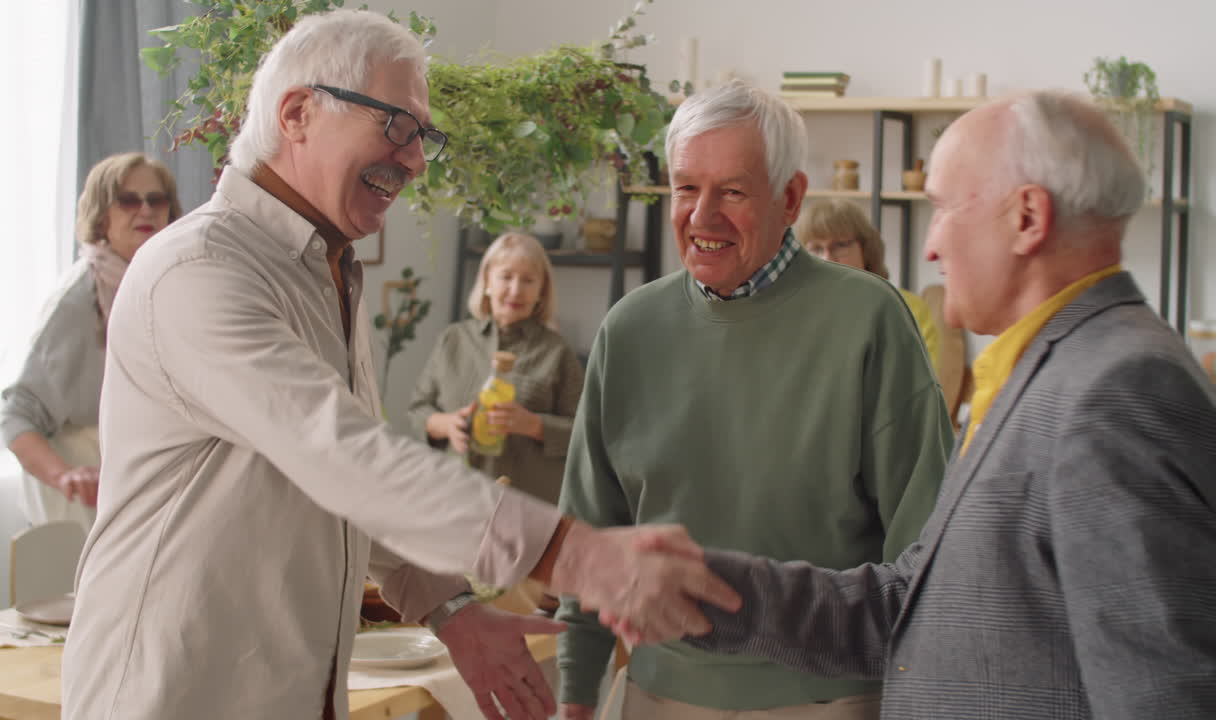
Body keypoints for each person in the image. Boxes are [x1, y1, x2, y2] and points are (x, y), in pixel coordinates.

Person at [60, 10, 740, 720]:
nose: (417, 159)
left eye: (424, 137)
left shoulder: (328, 269)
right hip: (170, 696)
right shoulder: (197, 271)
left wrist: (451, 610)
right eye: (397, 126)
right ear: (297, 113)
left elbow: (341, 485)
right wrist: (578, 555)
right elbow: (340, 452)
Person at [659, 91, 1216, 719]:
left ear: (1028, 218)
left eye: (945, 208)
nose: (929, 246)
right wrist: (693, 585)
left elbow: (1166, 699)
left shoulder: (1116, 393)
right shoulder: (1048, 372)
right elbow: (911, 605)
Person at [556, 81, 954, 720]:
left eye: (732, 191)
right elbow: (590, 529)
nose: (702, 216)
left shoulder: (869, 320)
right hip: (655, 694)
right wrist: (575, 694)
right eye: (687, 188)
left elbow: (926, 543)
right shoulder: (629, 329)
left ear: (791, 198)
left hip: (828, 698)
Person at [0, 152, 181, 534]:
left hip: (137, 489)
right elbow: (17, 415)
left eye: (156, 199)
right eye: (129, 200)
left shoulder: (159, 286)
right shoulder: (78, 300)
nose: (145, 210)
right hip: (83, 505)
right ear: (101, 216)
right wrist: (66, 476)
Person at [410, 232, 584, 505]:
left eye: (528, 280)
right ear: (487, 281)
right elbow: (418, 409)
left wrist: (535, 425)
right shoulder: (452, 339)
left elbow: (586, 434)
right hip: (455, 497)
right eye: (506, 277)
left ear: (542, 290)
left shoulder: (557, 352)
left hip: (529, 504)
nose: (516, 290)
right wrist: (447, 425)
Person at [800, 200, 940, 373]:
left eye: (840, 245)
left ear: (866, 250)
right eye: (816, 249)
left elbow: (920, 384)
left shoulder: (908, 309)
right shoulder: (796, 311)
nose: (828, 258)